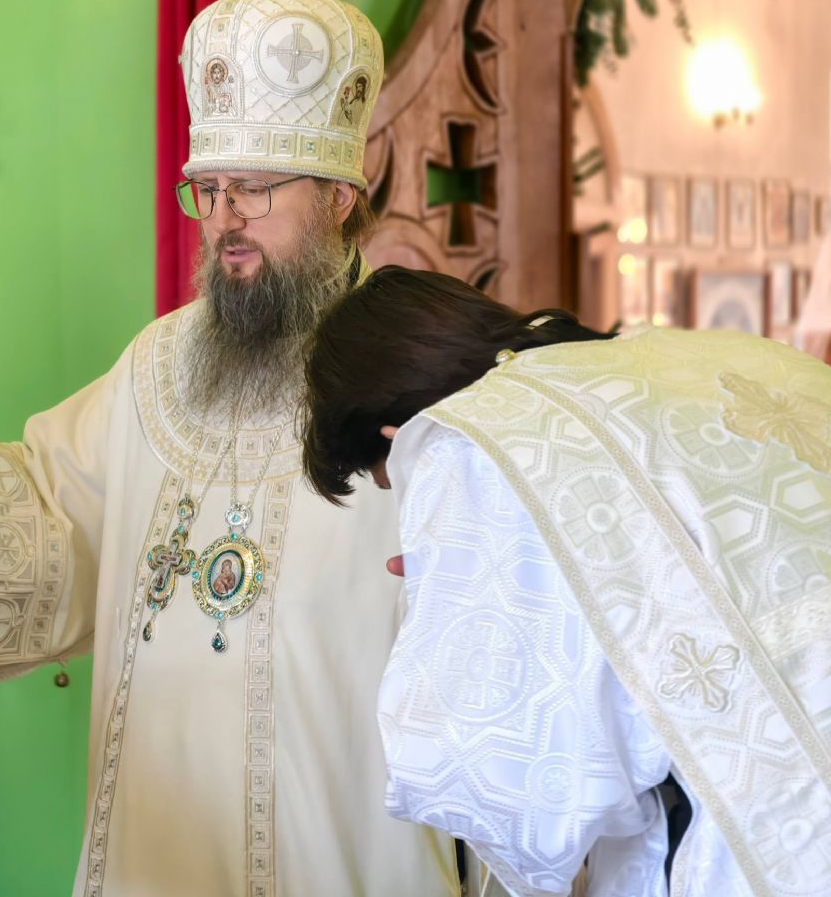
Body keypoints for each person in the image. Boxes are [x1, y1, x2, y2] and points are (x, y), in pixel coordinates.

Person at [0, 0, 460, 896]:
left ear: (339, 198)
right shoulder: (160, 362)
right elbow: (54, 508)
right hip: (161, 835)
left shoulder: (421, 371)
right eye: (210, 189)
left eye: (256, 189)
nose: (226, 219)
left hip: (343, 824)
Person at [301, 266, 831, 896]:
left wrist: (454, 595)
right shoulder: (713, 355)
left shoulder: (470, 440)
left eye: (391, 481)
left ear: (396, 437)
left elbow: (502, 782)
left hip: (770, 835)